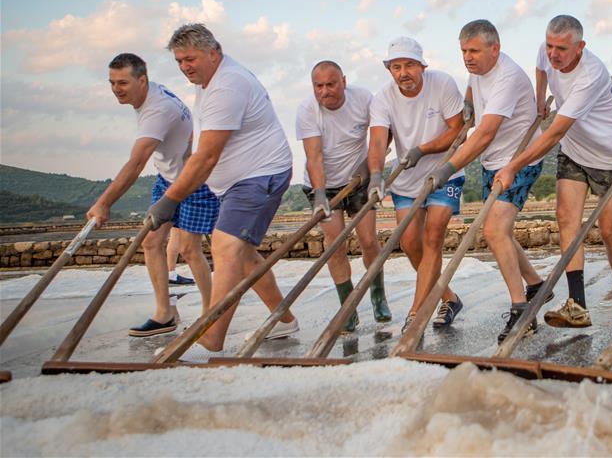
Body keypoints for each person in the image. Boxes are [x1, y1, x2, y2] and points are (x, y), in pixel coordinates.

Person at [146, 24, 298, 361]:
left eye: (190, 58)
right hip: (235, 181)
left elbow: (208, 155)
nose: (185, 66)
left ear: (214, 52)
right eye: (179, 61)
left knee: (226, 246)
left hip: (259, 175)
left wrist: (170, 199)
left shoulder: (227, 85)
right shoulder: (208, 82)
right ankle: (284, 319)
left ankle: (210, 341)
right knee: (242, 255)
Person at [496, 15, 612, 325]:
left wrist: (512, 166)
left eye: (561, 48)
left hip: (608, 157)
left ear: (580, 47)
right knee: (565, 219)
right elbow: (541, 68)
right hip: (574, 151)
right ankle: (577, 304)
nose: (553, 54)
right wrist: (539, 98)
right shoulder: (547, 54)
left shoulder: (591, 74)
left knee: (610, 231)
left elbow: (555, 132)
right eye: (549, 45)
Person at [430, 20, 553, 343]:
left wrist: (446, 169)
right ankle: (537, 285)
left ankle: (520, 309)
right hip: (491, 163)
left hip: (519, 160)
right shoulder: (478, 69)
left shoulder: (508, 77)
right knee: (501, 232)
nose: (467, 58)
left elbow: (484, 134)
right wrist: (469, 105)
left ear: (494, 48)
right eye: (463, 52)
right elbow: (472, 87)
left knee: (494, 231)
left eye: (474, 51)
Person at [87, 53, 214, 337]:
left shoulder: (157, 110)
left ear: (142, 80)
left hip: (193, 181)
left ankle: (211, 312)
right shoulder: (151, 95)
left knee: (190, 250)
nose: (116, 89)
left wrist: (103, 203)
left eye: (123, 82)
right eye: (112, 83)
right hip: (167, 177)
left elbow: (135, 163)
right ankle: (165, 313)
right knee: (151, 241)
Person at [367, 36, 466, 332]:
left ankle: (415, 314)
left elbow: (457, 131)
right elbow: (376, 141)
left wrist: (422, 149)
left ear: (422, 66)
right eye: (396, 66)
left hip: (445, 171)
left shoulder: (443, 84)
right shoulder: (382, 98)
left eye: (409, 65)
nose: (403, 72)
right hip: (407, 179)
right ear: (389, 70)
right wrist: (375, 175)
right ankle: (448, 297)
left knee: (433, 236)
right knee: (409, 243)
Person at [296, 60, 391, 332]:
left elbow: (382, 136)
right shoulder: (307, 110)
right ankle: (347, 306)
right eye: (318, 86)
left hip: (358, 180)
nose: (325, 91)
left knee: (369, 240)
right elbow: (314, 156)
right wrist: (320, 195)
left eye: (331, 84)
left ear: (344, 82)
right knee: (335, 243)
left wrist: (373, 172)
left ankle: (377, 296)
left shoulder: (363, 98)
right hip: (322, 183)